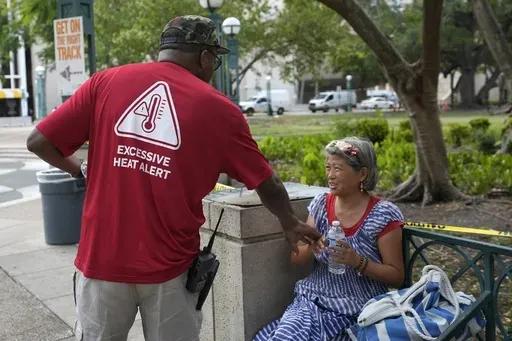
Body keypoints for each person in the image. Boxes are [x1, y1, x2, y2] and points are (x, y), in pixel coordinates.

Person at [26, 15, 321, 341]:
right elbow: (268, 183)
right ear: (205, 57)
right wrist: (289, 222)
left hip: (101, 260)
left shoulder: (105, 82)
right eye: (216, 61)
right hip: (170, 269)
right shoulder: (220, 110)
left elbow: (39, 142)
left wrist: (79, 168)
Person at [253, 137, 405, 341]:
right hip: (311, 302)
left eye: (338, 169)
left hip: (358, 310)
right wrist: (311, 247)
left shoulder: (383, 214)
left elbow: (396, 276)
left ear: (362, 173)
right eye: (328, 167)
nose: (330, 176)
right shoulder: (321, 205)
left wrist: (356, 261)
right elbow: (296, 259)